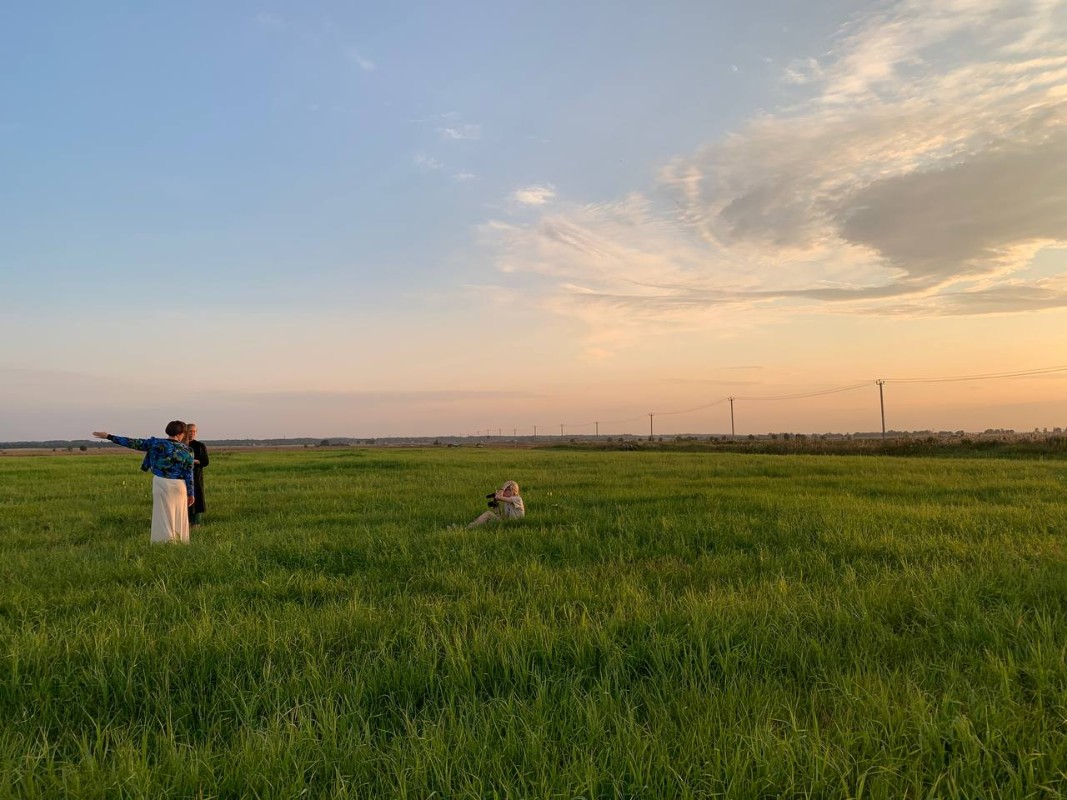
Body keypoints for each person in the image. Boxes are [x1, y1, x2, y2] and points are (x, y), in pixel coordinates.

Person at [92, 421, 195, 544]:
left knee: (162, 515)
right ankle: (180, 542)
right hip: (179, 486)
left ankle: (163, 543)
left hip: (161, 483)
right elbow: (189, 474)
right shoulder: (188, 450)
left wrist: (109, 436)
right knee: (179, 515)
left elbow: (132, 443)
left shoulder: (155, 443)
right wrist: (191, 493)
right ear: (181, 433)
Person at [184, 422, 209, 527]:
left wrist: (193, 461)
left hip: (196, 476)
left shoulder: (200, 445)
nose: (192, 433)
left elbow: (205, 461)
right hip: (183, 478)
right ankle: (185, 523)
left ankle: (196, 524)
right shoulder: (181, 445)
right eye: (190, 431)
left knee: (197, 499)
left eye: (194, 431)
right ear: (185, 432)